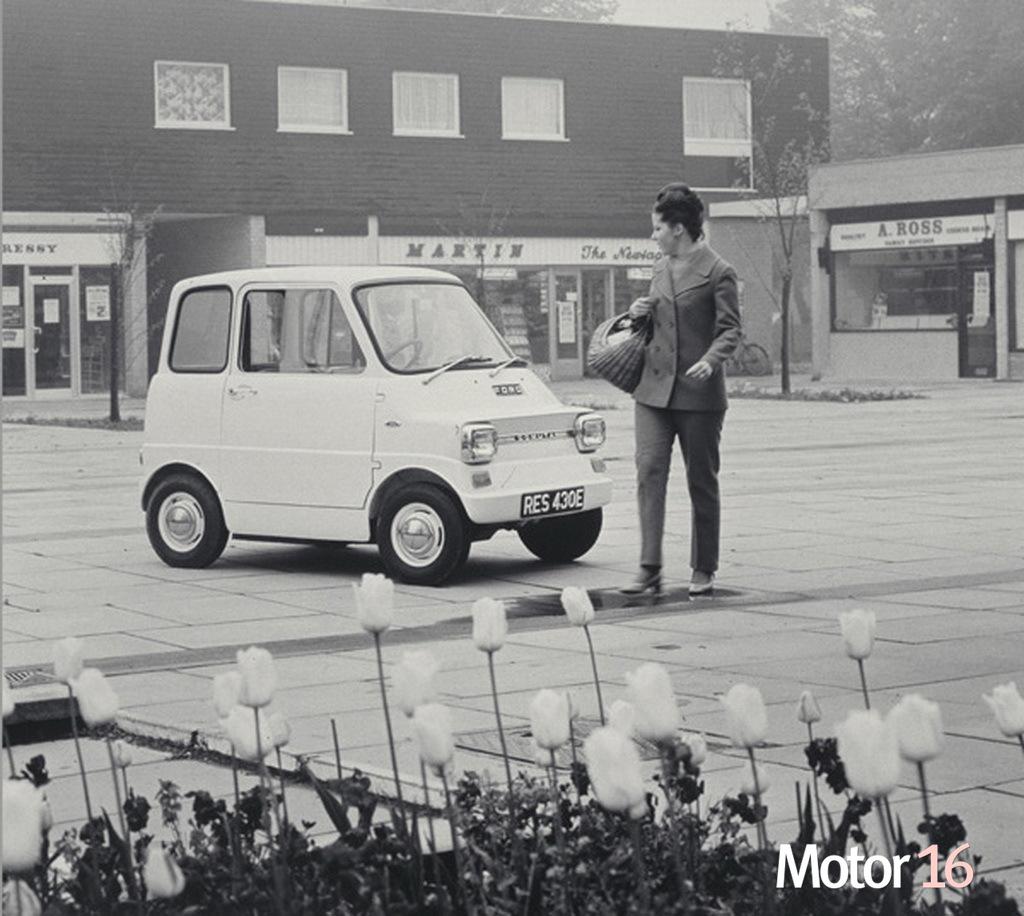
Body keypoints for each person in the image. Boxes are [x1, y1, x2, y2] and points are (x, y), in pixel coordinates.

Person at [621, 183, 741, 597]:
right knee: (648, 471)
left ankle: (703, 566)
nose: (653, 235)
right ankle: (649, 566)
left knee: (700, 480)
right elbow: (657, 323)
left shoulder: (718, 271)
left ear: (678, 228)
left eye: (657, 228)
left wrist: (712, 358)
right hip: (652, 391)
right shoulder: (659, 267)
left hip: (698, 393)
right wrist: (638, 314)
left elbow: (731, 329)